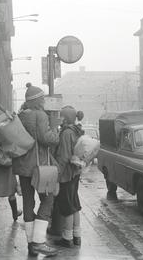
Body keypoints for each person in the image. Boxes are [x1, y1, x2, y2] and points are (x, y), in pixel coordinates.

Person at [12, 83, 59, 257]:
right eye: (43, 98)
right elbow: (46, 139)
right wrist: (55, 130)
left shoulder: (21, 115)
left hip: (22, 167)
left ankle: (31, 244)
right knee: (48, 199)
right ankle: (39, 241)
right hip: (39, 167)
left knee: (28, 203)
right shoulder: (40, 115)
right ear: (38, 100)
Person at [55, 106, 84, 248]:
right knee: (75, 204)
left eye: (61, 116)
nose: (59, 118)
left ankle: (67, 238)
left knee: (67, 206)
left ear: (66, 118)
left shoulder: (66, 133)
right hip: (75, 173)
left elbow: (64, 157)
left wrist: (57, 175)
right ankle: (77, 236)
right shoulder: (76, 130)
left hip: (66, 174)